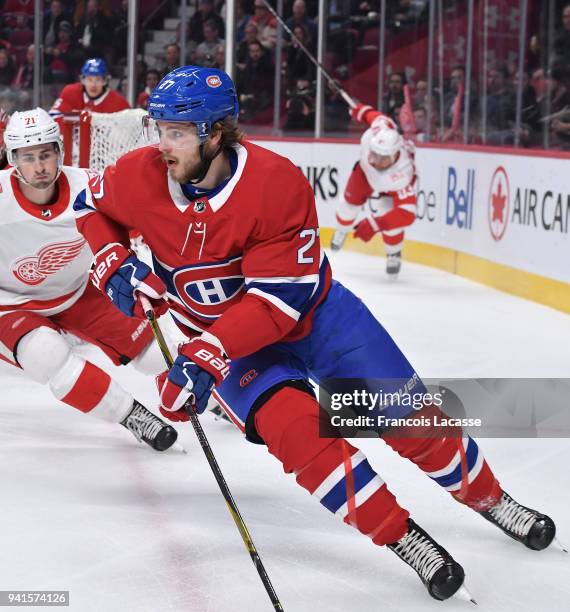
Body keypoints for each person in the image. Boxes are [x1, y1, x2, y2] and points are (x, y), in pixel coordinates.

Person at [75, 66, 557, 603]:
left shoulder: (275, 184)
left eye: (177, 133)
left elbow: (276, 303)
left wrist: (208, 350)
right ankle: (403, 538)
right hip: (227, 350)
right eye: (159, 128)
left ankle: (491, 499)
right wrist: (111, 257)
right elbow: (89, 207)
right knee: (303, 438)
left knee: (413, 422)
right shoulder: (139, 174)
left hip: (316, 322)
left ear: (215, 134)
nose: (161, 145)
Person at [0, 108, 177, 452]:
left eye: (46, 154)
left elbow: (143, 222)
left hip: (79, 289)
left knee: (158, 354)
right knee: (46, 354)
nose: (39, 167)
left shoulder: (89, 185)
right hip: (10, 302)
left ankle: (217, 398)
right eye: (29, 157)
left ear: (60, 153)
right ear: (12, 160)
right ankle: (131, 415)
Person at [331, 104, 417, 276]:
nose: (374, 159)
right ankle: (342, 229)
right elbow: (372, 115)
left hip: (389, 188)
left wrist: (375, 224)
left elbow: (408, 213)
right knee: (347, 207)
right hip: (364, 174)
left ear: (393, 156)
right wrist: (358, 111)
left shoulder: (402, 174)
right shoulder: (379, 130)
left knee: (388, 216)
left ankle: (393, 252)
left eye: (381, 157)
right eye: (374, 152)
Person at [49, 58, 130, 117]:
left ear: (105, 81)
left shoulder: (118, 103)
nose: (93, 85)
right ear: (83, 80)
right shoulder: (70, 92)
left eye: (98, 80)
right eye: (89, 79)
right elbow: (54, 116)